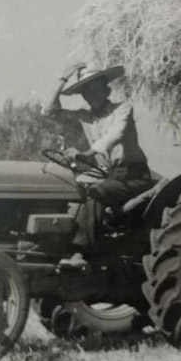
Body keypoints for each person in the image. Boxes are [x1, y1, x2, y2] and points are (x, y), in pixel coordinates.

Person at [47, 62, 155, 269]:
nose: (92, 95)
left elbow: (116, 134)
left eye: (96, 89)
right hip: (110, 175)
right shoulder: (86, 116)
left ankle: (81, 252)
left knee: (96, 192)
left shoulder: (122, 109)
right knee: (74, 191)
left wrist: (87, 153)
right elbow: (49, 111)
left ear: (106, 89)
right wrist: (62, 79)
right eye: (87, 91)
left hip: (134, 176)